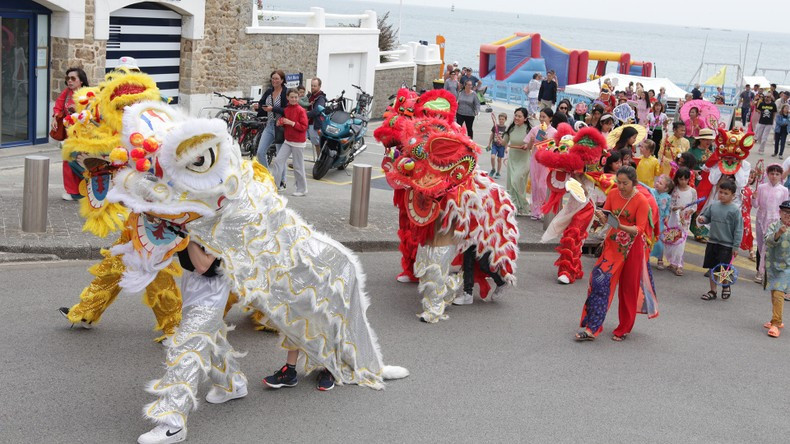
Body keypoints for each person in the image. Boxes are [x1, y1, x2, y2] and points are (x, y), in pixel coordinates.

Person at [138, 241, 247, 444]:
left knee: (185, 351)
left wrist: (184, 231)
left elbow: (204, 265)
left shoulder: (217, 223)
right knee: (209, 337)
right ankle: (233, 383)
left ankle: (173, 424)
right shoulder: (193, 222)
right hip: (194, 286)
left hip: (211, 294)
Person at [575, 166, 658, 341]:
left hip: (633, 248)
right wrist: (601, 218)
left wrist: (619, 225)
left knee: (628, 290)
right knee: (599, 281)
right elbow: (607, 217)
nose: (620, 186)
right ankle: (592, 328)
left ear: (634, 182)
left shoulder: (642, 201)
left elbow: (639, 230)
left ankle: (624, 328)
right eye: (618, 182)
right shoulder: (613, 194)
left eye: (624, 183)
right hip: (612, 245)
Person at [698, 179, 743, 300]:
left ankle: (725, 285)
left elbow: (738, 229)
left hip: (727, 245)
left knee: (723, 268)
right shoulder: (714, 206)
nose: (722, 195)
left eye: (726, 193)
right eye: (721, 192)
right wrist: (702, 219)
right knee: (712, 267)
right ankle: (713, 291)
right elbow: (706, 217)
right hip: (712, 241)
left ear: (733, 196)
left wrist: (736, 246)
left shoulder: (735, 210)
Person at [54, 67, 88, 201]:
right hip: (70, 135)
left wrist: (78, 111)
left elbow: (92, 112)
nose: (69, 81)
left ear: (81, 81)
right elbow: (58, 105)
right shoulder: (67, 92)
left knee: (81, 161)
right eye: (67, 78)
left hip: (84, 136)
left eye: (73, 78)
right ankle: (72, 191)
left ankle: (86, 189)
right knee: (67, 162)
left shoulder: (88, 93)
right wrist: (55, 116)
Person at [269, 89, 309, 197]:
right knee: (278, 161)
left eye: (296, 97)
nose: (294, 99)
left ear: (298, 98)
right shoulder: (287, 109)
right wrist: (281, 122)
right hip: (288, 141)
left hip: (298, 142)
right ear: (287, 97)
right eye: (292, 97)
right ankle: (275, 186)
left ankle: (302, 189)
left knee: (298, 166)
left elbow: (304, 127)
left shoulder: (301, 110)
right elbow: (288, 123)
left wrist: (291, 123)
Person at [753, 164, 790, 283]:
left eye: (777, 174)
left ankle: (767, 272)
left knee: (770, 246)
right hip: (761, 219)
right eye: (772, 173)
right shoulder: (761, 187)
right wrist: (753, 198)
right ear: (768, 174)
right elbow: (755, 205)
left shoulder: (784, 190)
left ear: (781, 175)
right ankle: (759, 270)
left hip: (775, 221)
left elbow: (785, 208)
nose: (774, 176)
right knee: (760, 245)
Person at [254, 70, 288, 187]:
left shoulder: (285, 92)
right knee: (260, 152)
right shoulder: (269, 91)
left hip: (280, 127)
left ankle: (282, 181)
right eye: (273, 78)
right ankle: (268, 176)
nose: (274, 81)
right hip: (269, 125)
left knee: (280, 157)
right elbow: (262, 104)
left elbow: (287, 110)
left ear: (282, 80)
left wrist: (273, 109)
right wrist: (258, 107)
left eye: (277, 78)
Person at [524, 108, 557, 220]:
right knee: (534, 184)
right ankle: (535, 211)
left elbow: (555, 149)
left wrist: (548, 140)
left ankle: (544, 209)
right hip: (535, 160)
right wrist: (531, 141)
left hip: (546, 162)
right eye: (540, 116)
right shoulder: (535, 129)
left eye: (544, 117)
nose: (542, 119)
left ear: (550, 118)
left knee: (542, 185)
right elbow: (528, 147)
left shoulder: (554, 132)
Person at [763, 200, 790, 338]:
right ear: (780, 212)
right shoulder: (774, 226)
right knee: (774, 293)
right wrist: (778, 233)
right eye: (785, 212)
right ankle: (776, 318)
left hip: (787, 268)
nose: (788, 215)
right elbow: (767, 241)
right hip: (772, 265)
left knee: (779, 293)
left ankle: (776, 323)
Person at [664, 168, 698, 275]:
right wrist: (677, 208)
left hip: (684, 221)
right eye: (681, 179)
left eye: (685, 179)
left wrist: (690, 211)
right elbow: (670, 205)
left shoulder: (692, 191)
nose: (683, 181)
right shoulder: (674, 190)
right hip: (673, 219)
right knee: (672, 241)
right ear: (677, 179)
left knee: (681, 243)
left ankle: (679, 265)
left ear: (689, 179)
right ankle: (672, 262)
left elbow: (694, 206)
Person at [504, 107, 532, 216]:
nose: (516, 118)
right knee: (511, 183)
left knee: (517, 180)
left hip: (524, 160)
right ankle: (514, 205)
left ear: (525, 118)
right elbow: (504, 142)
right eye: (515, 115)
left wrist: (527, 145)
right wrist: (499, 140)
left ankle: (523, 205)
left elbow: (533, 145)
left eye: (519, 116)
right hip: (512, 159)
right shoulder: (511, 128)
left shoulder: (529, 130)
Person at [648, 175, 674, 270]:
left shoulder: (668, 197)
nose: (657, 183)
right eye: (657, 181)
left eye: (660, 183)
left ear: (666, 188)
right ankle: (646, 257)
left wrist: (667, 216)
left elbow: (667, 208)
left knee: (659, 240)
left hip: (660, 221)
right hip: (650, 219)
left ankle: (660, 258)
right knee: (648, 239)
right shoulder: (651, 192)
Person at [305, 77, 327, 160]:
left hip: (314, 124)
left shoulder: (321, 98)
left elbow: (317, 111)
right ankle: (297, 162)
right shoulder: (309, 95)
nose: (312, 87)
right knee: (300, 142)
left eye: (315, 86)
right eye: (312, 85)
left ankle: (320, 161)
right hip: (305, 123)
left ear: (319, 86)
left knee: (317, 144)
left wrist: (305, 114)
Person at [487, 112, 507, 178]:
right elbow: (492, 135)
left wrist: (506, 148)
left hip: (502, 146)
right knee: (492, 157)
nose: (501, 120)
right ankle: (493, 169)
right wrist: (489, 144)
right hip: (494, 145)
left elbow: (506, 140)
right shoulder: (495, 127)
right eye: (500, 119)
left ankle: (498, 173)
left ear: (505, 120)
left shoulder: (506, 129)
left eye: (503, 119)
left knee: (499, 159)